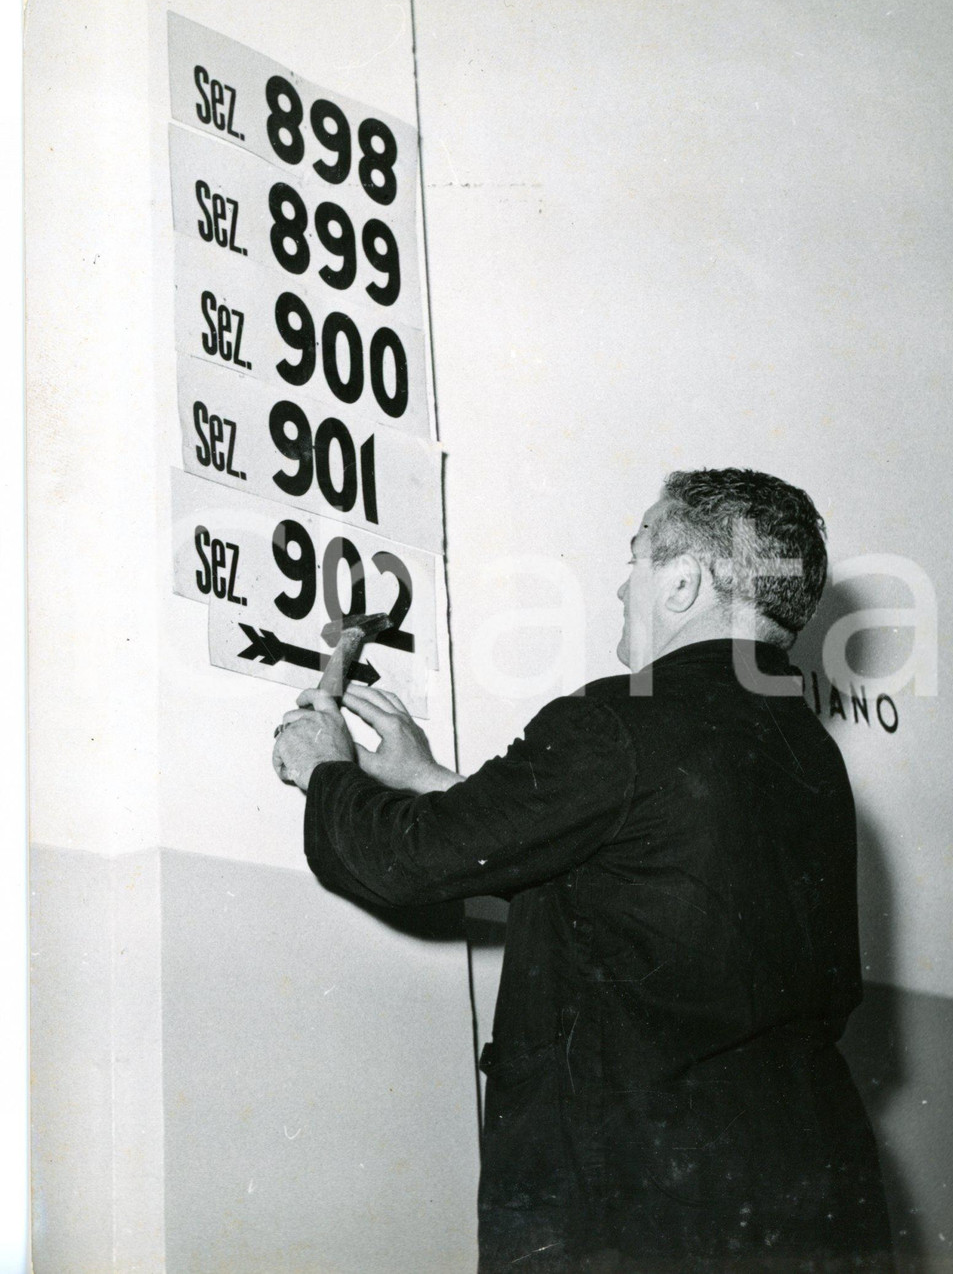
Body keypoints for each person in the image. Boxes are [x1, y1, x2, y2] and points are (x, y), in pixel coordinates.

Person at [273, 467, 893, 1273]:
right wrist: (428, 780)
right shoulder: (808, 761)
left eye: (635, 554)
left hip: (641, 1209)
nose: (618, 586)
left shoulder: (619, 720)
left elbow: (407, 864)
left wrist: (329, 772)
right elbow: (615, 868)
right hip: (813, 1201)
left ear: (683, 584)